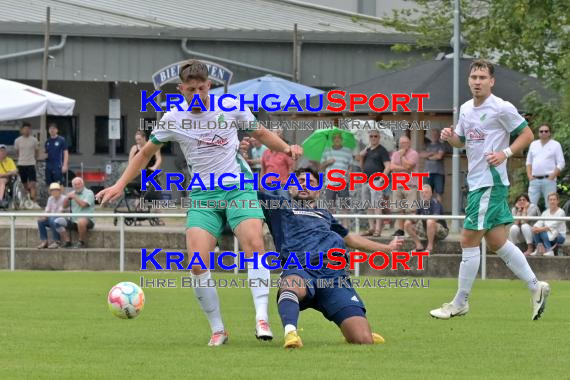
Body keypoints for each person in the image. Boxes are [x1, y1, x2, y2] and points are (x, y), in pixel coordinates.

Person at [97, 59, 302, 346]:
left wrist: (287, 149)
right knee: (196, 262)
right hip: (203, 195)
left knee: (254, 243)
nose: (196, 94)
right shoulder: (172, 118)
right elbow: (144, 154)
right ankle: (218, 329)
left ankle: (261, 318)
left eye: (201, 88)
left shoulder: (231, 107)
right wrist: (119, 184)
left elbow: (260, 133)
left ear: (209, 86)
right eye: (190, 89)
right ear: (181, 89)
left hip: (237, 188)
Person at [431, 59, 550, 321]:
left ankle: (460, 302)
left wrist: (505, 153)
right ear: (469, 80)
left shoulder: (501, 107)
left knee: (467, 240)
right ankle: (535, 287)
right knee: (497, 242)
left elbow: (527, 134)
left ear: (491, 81)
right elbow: (461, 142)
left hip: (489, 182)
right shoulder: (464, 108)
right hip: (478, 182)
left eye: (482, 77)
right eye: (473, 77)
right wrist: (449, 137)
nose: (477, 81)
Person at [257, 167, 404, 348]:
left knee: (364, 340)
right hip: (302, 269)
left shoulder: (326, 215)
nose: (304, 185)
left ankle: (353, 330)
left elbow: (351, 239)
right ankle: (290, 333)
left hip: (334, 276)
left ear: (318, 191)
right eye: (299, 181)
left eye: (311, 183)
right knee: (291, 284)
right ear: (290, 188)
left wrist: (387, 248)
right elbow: (247, 191)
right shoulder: (278, 206)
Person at [359, 130, 391, 237]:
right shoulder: (367, 150)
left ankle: (378, 229)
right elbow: (361, 166)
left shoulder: (382, 150)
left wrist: (382, 178)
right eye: (371, 136)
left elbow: (388, 166)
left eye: (375, 136)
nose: (373, 138)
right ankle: (371, 228)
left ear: (379, 137)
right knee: (368, 206)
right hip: (366, 180)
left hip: (376, 180)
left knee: (377, 205)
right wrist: (362, 156)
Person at [128, 131, 164, 224]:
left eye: (139, 139)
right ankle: (138, 218)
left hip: (151, 174)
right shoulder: (134, 148)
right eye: (136, 140)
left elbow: (159, 158)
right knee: (139, 196)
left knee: (157, 196)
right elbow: (130, 162)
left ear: (145, 138)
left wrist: (155, 167)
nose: (138, 142)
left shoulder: (153, 146)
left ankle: (158, 218)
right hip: (139, 175)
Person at [526, 124, 565, 207]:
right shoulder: (533, 144)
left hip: (549, 180)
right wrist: (529, 176)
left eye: (546, 131)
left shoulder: (556, 145)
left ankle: (550, 221)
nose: (543, 133)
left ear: (549, 133)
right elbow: (528, 162)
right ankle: (530, 221)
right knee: (530, 206)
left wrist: (552, 176)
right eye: (541, 131)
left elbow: (561, 162)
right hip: (534, 180)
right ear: (538, 133)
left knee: (550, 205)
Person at [320, 132, 354, 227]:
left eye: (339, 138)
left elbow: (350, 166)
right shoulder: (327, 151)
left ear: (342, 140)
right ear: (332, 140)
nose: (337, 139)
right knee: (330, 205)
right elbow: (321, 167)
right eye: (335, 138)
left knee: (345, 205)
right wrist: (328, 162)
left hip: (343, 181)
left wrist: (349, 176)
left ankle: (345, 226)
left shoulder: (347, 151)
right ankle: (331, 225)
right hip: (330, 182)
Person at [404, 184, 448, 252]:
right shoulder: (420, 203)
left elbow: (435, 218)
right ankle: (419, 246)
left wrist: (422, 217)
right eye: (422, 193)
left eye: (426, 192)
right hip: (426, 229)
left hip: (441, 231)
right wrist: (413, 217)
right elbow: (416, 218)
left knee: (430, 221)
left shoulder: (435, 203)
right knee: (407, 223)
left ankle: (430, 247)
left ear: (431, 194)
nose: (424, 194)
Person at [390, 135, 419, 236]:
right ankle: (400, 230)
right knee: (399, 210)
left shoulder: (414, 153)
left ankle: (411, 231)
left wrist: (402, 156)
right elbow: (392, 167)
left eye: (405, 143)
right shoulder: (395, 154)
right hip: (397, 184)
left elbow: (408, 166)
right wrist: (404, 168)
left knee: (411, 210)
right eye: (401, 143)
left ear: (409, 143)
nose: (403, 145)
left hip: (410, 185)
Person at [55, 177, 95, 249]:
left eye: (79, 184)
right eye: (75, 185)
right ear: (73, 186)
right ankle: (67, 241)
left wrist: (75, 197)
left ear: (83, 184)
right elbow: (64, 206)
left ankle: (81, 242)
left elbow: (83, 205)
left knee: (81, 221)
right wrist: (66, 198)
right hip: (73, 221)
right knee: (57, 221)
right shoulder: (72, 193)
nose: (77, 186)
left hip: (87, 220)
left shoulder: (89, 193)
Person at [261, 129, 294, 199]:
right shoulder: (266, 152)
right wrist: (261, 183)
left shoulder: (286, 152)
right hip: (268, 183)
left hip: (282, 184)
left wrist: (290, 183)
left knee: (285, 204)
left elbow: (291, 169)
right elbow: (263, 169)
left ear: (280, 138)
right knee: (268, 205)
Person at [531, 192, 566, 257]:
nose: (552, 201)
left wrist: (541, 229)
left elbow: (553, 225)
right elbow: (539, 222)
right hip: (548, 235)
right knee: (536, 230)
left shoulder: (561, 212)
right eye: (550, 200)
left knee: (541, 231)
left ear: (558, 201)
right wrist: (535, 227)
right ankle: (539, 249)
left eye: (554, 199)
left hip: (559, 236)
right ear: (548, 201)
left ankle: (549, 250)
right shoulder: (545, 212)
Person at [14, 122, 40, 206]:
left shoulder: (34, 140)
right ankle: (27, 201)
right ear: (22, 130)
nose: (27, 130)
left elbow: (36, 152)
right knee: (24, 184)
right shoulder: (17, 140)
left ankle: (34, 201)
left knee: (32, 184)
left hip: (31, 164)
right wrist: (22, 159)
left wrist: (34, 160)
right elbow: (17, 152)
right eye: (25, 129)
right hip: (21, 164)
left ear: (30, 130)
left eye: (28, 129)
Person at [420, 128, 447, 203]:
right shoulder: (426, 145)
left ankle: (438, 212)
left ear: (439, 136)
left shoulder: (442, 145)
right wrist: (432, 154)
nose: (434, 136)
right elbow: (421, 154)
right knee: (426, 192)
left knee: (439, 193)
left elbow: (439, 156)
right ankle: (427, 212)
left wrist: (427, 156)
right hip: (427, 172)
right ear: (430, 135)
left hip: (439, 173)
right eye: (433, 134)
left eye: (436, 135)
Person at [37, 182, 65, 249]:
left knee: (53, 219)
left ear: (59, 191)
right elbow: (47, 210)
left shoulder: (64, 198)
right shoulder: (50, 198)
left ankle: (57, 241)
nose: (54, 192)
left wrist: (48, 216)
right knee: (40, 221)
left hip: (62, 219)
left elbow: (60, 212)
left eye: (56, 190)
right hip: (51, 217)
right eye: (52, 190)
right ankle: (44, 241)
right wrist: (44, 216)